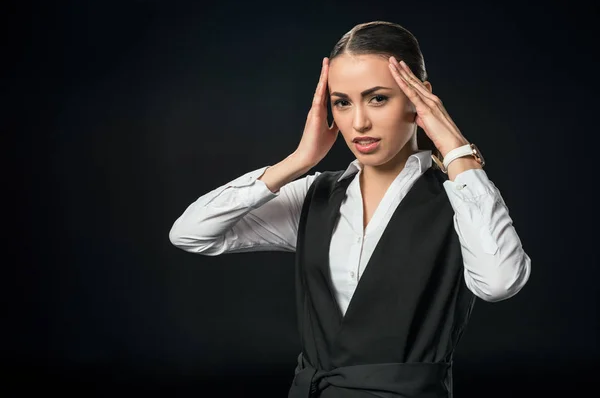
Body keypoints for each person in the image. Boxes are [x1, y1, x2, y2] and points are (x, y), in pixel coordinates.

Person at [169, 20, 531, 398]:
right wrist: (298, 160)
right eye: (342, 102)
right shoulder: (314, 195)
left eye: (377, 98)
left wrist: (457, 151)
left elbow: (500, 282)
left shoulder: (462, 200)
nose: (358, 122)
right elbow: (190, 233)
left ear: (419, 97)